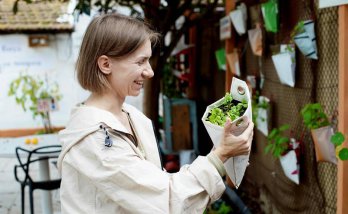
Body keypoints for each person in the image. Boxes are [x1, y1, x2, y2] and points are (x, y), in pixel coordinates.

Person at [57, 13, 254, 214]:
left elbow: (155, 187)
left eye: (148, 60)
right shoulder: (96, 140)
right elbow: (165, 201)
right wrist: (219, 156)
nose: (149, 72)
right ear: (106, 64)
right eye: (140, 61)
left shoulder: (131, 116)